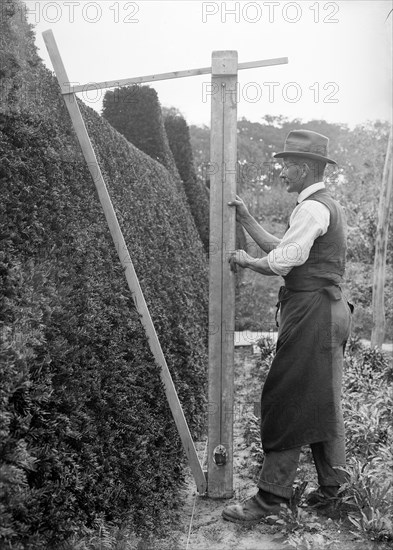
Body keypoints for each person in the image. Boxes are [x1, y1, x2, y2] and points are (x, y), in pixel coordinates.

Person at [222, 129, 353, 525]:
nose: (280, 173)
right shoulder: (316, 206)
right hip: (327, 311)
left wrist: (244, 261)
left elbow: (280, 262)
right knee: (321, 398)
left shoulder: (312, 208)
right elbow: (286, 249)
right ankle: (336, 493)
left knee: (286, 397)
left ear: (306, 168)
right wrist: (246, 217)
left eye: (286, 166)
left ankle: (270, 498)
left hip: (314, 313)